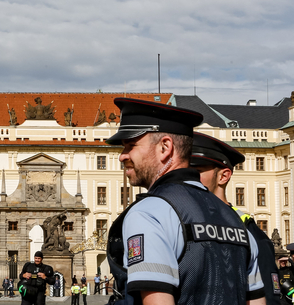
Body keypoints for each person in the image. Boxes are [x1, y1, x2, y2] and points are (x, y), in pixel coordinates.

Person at [104, 98, 264, 305]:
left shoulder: (149, 212)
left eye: (131, 145)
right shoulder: (235, 220)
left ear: (165, 147)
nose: (122, 156)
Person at [190, 132, 280, 305]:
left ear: (223, 176)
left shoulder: (248, 230)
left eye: (197, 171)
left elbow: (268, 297)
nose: (188, 178)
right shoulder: (185, 220)